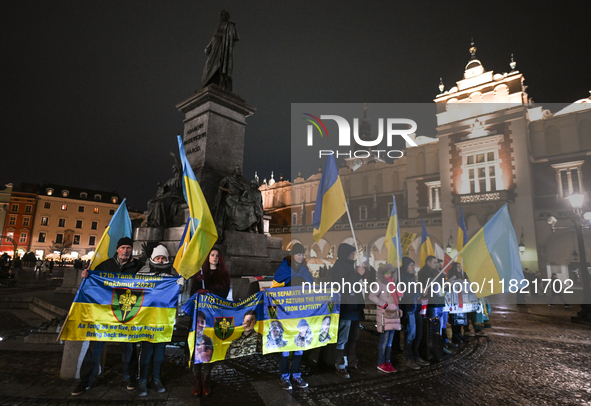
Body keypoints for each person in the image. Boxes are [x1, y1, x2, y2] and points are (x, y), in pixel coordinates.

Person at [71, 237, 143, 396]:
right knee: (94, 348)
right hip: (104, 314)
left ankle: (130, 378)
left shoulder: (138, 266)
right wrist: (86, 275)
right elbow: (92, 281)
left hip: (127, 313)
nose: (125, 251)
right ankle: (85, 382)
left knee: (130, 348)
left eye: (128, 248)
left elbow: (153, 279)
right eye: (123, 247)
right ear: (117, 249)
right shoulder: (105, 265)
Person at [135, 245, 184, 397]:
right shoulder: (143, 272)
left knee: (160, 350)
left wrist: (181, 284)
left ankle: (156, 378)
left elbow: (178, 291)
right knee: (147, 349)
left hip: (164, 318)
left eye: (164, 258)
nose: (161, 260)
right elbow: (134, 288)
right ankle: (142, 379)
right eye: (158, 258)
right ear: (152, 258)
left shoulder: (172, 273)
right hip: (147, 318)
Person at [187, 247, 231, 397]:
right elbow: (192, 295)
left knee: (208, 348)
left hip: (213, 318)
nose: (214, 257)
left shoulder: (223, 276)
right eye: (212, 255)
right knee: (197, 348)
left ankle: (206, 380)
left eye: (217, 255)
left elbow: (223, 294)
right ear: (208, 257)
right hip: (199, 318)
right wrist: (199, 291)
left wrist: (210, 293)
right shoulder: (200, 277)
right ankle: (197, 379)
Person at [271, 243, 312, 390]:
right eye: (298, 254)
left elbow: (311, 289)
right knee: (286, 346)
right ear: (293, 255)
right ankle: (284, 376)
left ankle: (296, 374)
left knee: (299, 345)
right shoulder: (284, 269)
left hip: (301, 313)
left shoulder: (305, 270)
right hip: (286, 314)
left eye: (302, 254)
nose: (301, 257)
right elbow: (275, 289)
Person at [332, 243, 367, 378]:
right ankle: (340, 364)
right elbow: (343, 285)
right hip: (346, 307)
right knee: (343, 338)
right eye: (352, 253)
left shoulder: (351, 266)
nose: (353, 255)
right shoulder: (338, 267)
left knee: (353, 338)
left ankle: (351, 363)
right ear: (345, 253)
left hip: (355, 308)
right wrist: (357, 275)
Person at [369, 263, 402, 373]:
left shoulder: (393, 284)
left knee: (390, 341)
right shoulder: (379, 284)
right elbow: (371, 296)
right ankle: (381, 362)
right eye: (387, 273)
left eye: (390, 273)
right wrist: (384, 304)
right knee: (384, 340)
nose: (389, 275)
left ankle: (387, 361)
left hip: (393, 314)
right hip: (385, 314)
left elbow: (396, 299)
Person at [399, 257, 429, 369]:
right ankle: (409, 358)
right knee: (410, 335)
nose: (413, 267)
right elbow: (405, 294)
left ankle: (416, 356)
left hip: (416, 309)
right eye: (411, 265)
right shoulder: (402, 278)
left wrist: (420, 292)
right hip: (409, 310)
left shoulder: (411, 278)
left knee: (419, 333)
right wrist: (419, 292)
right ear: (406, 266)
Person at [418, 255, 451, 355]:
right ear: (428, 262)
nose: (437, 264)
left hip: (439, 301)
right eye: (435, 262)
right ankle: (432, 347)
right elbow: (431, 283)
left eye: (437, 262)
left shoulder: (436, 272)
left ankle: (439, 345)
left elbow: (440, 282)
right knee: (432, 326)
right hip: (432, 302)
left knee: (440, 324)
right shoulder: (424, 272)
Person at [202, 9, 239, 91]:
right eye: (220, 15)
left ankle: (218, 83)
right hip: (214, 49)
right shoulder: (219, 26)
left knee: (220, 65)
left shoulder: (230, 25)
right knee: (209, 66)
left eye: (222, 15)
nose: (221, 17)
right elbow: (214, 37)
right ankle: (208, 83)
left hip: (223, 49)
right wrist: (209, 46)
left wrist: (223, 36)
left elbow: (232, 37)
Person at [447, 262, 470, 344]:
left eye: (459, 266)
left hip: (461, 298)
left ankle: (459, 333)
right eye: (457, 266)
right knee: (454, 317)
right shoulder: (452, 274)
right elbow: (449, 283)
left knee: (461, 317)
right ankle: (455, 334)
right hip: (454, 298)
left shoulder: (463, 274)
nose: (459, 267)